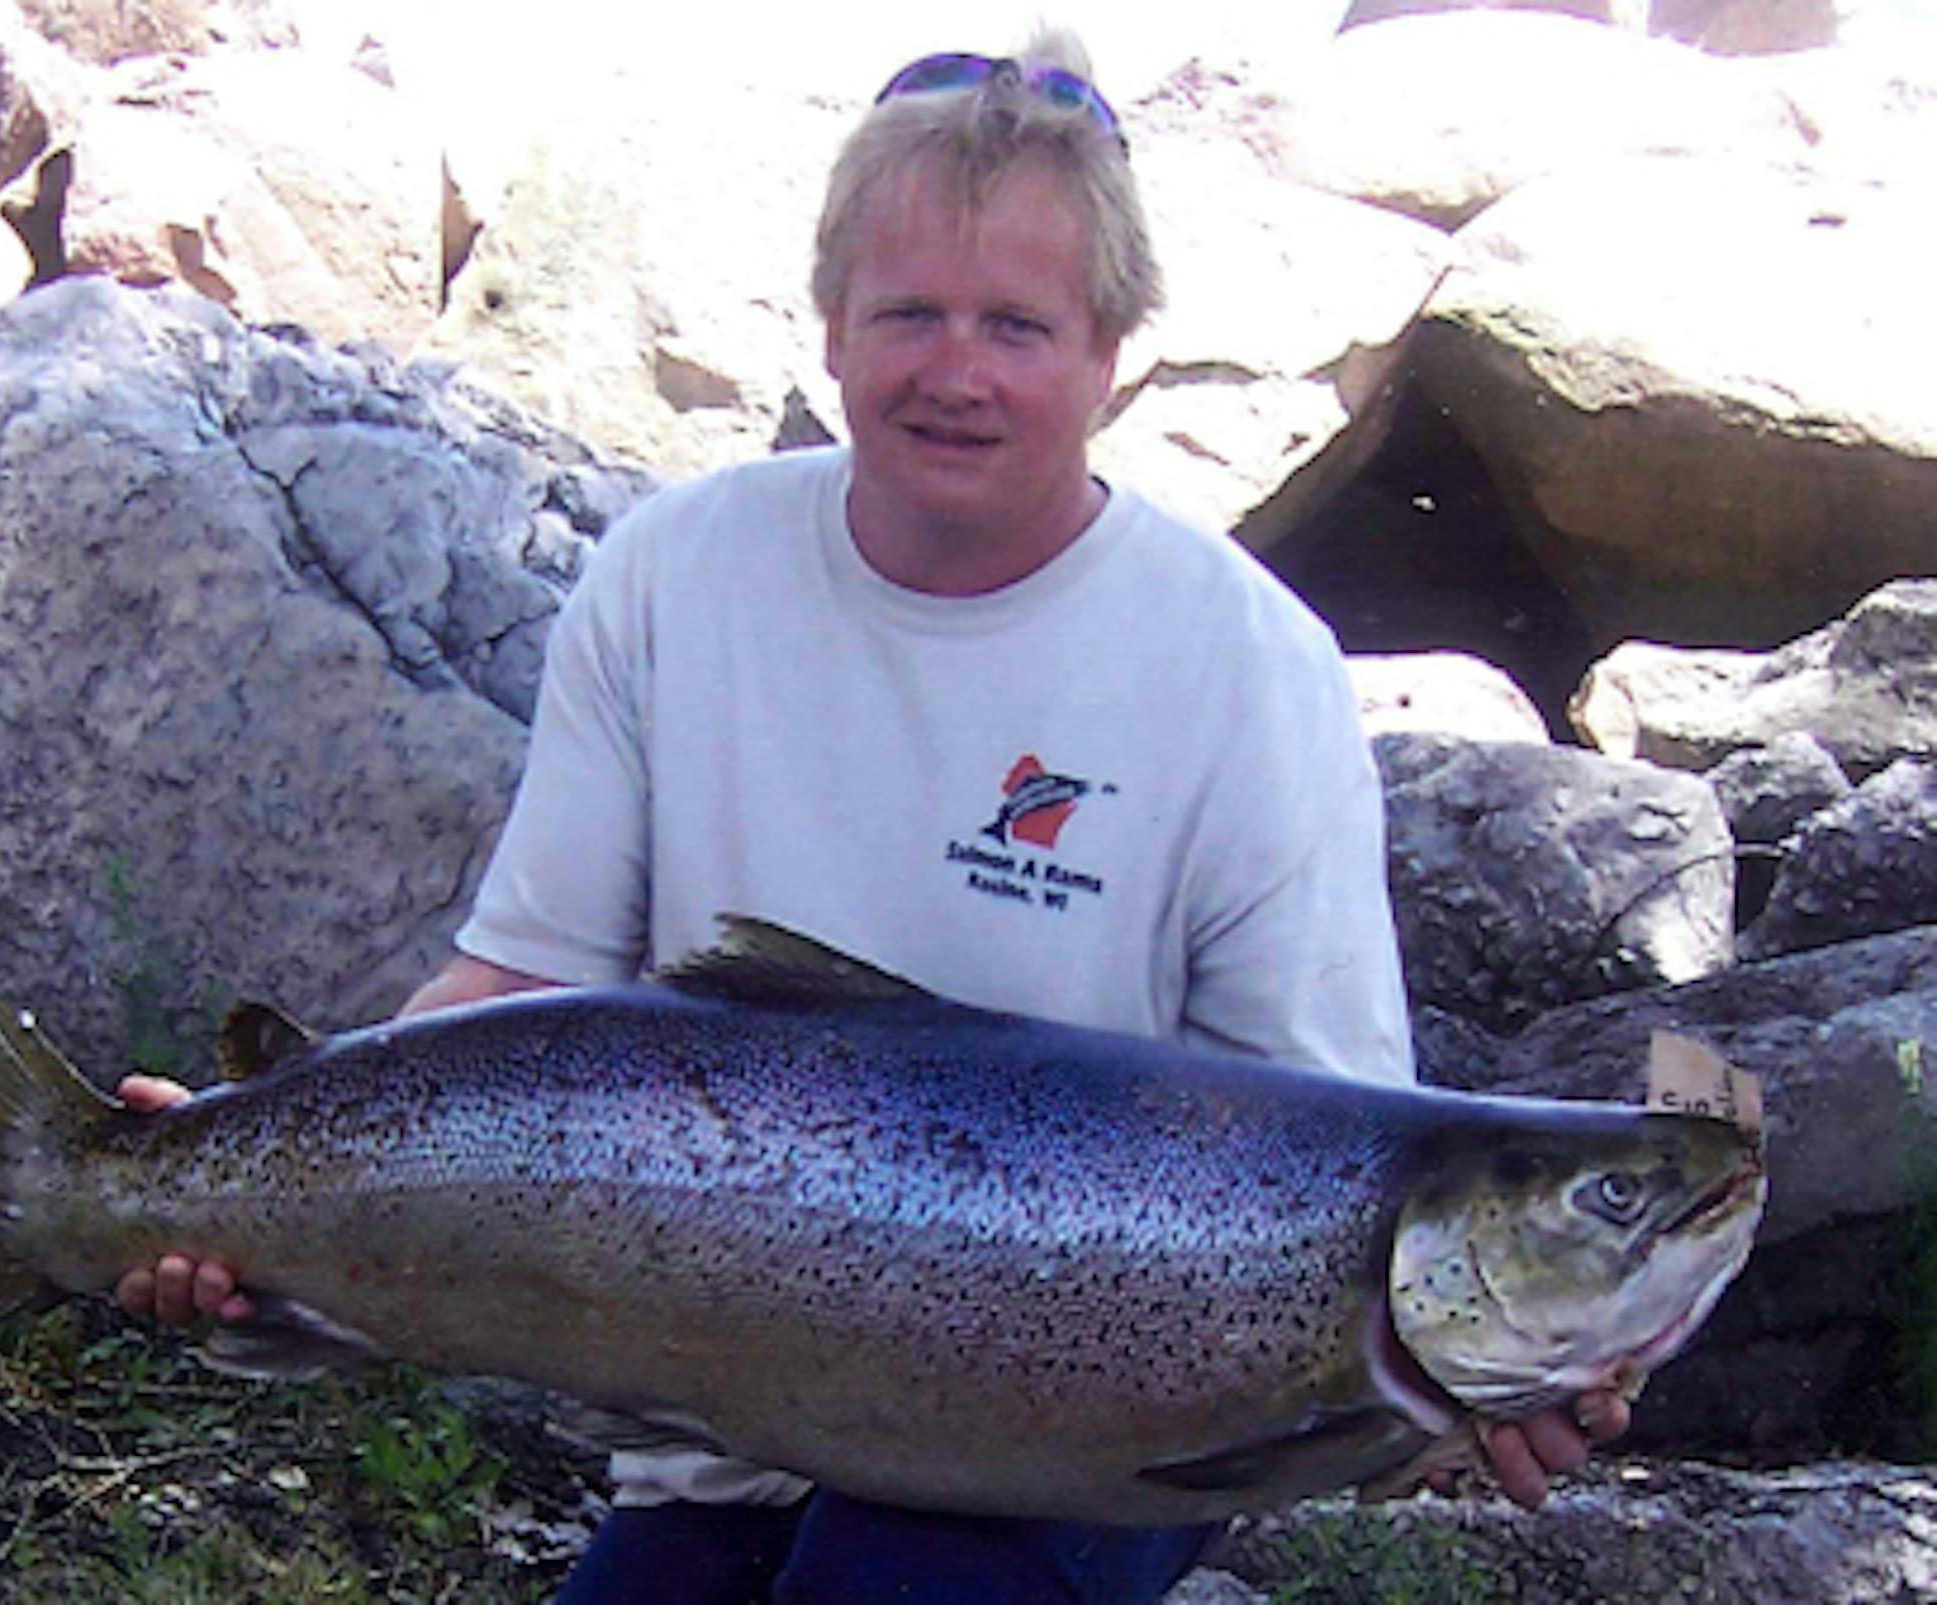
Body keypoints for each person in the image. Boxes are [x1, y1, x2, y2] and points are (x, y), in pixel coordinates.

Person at [118, 32, 1629, 1603]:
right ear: (831, 326)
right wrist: (246, 1155)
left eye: (1017, 325)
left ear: (1111, 353)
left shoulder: (1250, 668)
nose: (955, 372)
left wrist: (1490, 1369)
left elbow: (1346, 1161)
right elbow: (520, 988)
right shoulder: (670, 576)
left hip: (1101, 1432)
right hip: (732, 1404)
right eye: (909, 313)